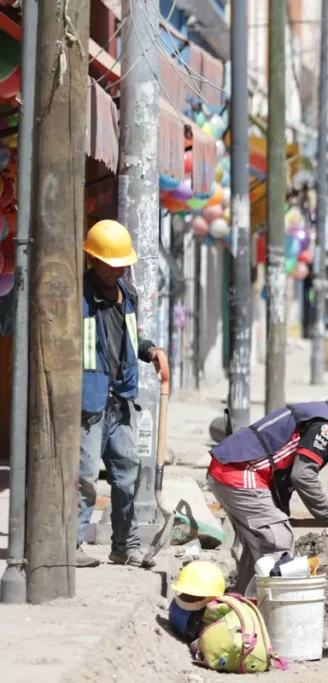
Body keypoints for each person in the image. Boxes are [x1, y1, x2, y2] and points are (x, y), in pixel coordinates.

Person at [206, 397, 328, 596]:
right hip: (239, 472)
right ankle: (268, 606)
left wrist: (281, 514)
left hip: (230, 469)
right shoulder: (325, 427)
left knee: (259, 547)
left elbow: (284, 473)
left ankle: (243, 605)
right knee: (278, 542)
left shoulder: (321, 415)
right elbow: (303, 475)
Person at [77, 220, 168, 569]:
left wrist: (149, 350)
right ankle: (71, 545)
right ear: (93, 260)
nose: (116, 271)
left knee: (128, 473)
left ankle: (125, 546)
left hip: (121, 399)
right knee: (84, 477)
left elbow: (129, 338)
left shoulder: (127, 294)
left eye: (121, 265)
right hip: (89, 401)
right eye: (110, 265)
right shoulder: (77, 295)